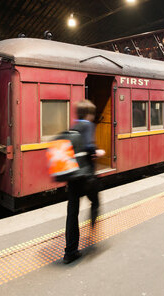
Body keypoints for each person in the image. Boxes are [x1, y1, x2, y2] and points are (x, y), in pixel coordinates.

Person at [63, 99, 105, 264]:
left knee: (72, 214)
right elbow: (89, 147)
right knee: (95, 203)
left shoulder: (72, 128)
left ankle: (70, 252)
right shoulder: (87, 125)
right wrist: (98, 152)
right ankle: (92, 232)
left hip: (72, 178)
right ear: (88, 114)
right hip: (87, 178)